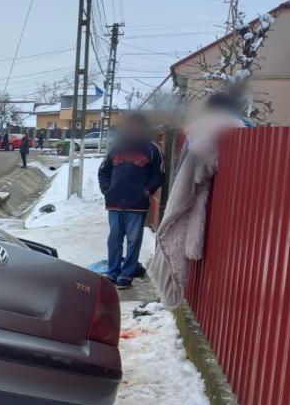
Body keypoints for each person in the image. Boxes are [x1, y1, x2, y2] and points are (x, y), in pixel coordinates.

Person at [148, 93, 248, 307]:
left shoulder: (205, 134)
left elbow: (189, 178)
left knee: (170, 231)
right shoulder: (240, 132)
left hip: (221, 213)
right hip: (231, 215)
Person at [97, 112, 165, 289]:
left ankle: (126, 275)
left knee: (134, 241)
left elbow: (158, 175)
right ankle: (113, 272)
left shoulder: (151, 149)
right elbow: (103, 171)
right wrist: (107, 190)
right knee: (114, 240)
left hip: (137, 205)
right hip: (114, 203)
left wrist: (146, 191)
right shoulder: (117, 147)